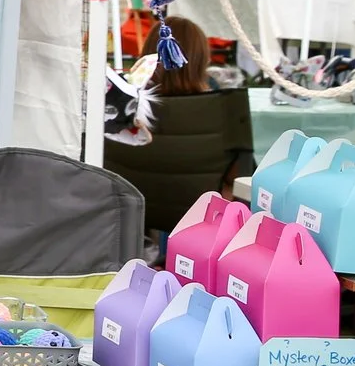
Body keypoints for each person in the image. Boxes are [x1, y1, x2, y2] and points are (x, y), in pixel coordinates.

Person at [102, 17, 253, 235]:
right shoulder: (221, 110)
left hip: (132, 211)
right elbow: (237, 178)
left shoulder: (120, 109)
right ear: (203, 60)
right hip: (202, 219)